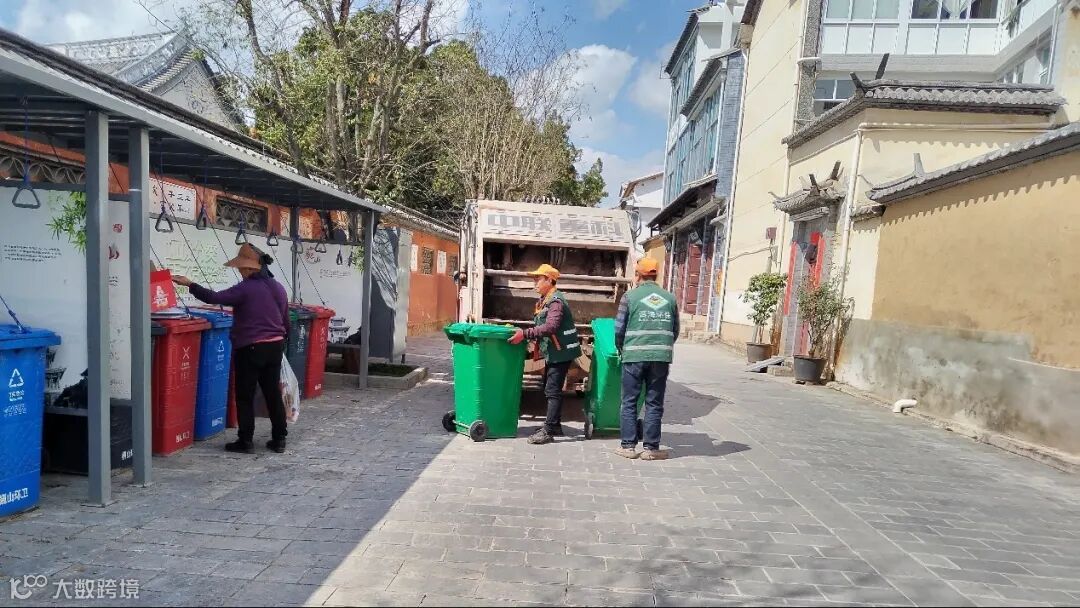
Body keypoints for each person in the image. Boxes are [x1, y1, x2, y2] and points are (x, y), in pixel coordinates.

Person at [172, 243, 290, 454]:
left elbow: (214, 298)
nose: (240, 272)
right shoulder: (278, 288)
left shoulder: (246, 288)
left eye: (241, 268)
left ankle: (246, 441)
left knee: (245, 395)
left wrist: (190, 284)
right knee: (272, 393)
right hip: (275, 347)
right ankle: (279, 439)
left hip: (250, 348)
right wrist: (280, 341)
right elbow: (285, 320)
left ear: (249, 268)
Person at [508, 264, 582, 445]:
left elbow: (551, 327)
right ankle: (555, 425)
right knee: (549, 388)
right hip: (556, 351)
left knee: (552, 390)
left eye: (538, 279)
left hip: (561, 352)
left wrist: (525, 334)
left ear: (549, 280)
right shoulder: (546, 299)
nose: (535, 282)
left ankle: (548, 431)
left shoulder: (556, 302)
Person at [614, 258, 678, 460]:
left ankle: (628, 447)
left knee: (629, 401)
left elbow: (619, 329)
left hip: (634, 356)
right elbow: (675, 330)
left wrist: (621, 347)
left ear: (637, 275)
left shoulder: (629, 297)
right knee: (654, 403)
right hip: (660, 357)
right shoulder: (670, 298)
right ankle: (651, 449)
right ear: (656, 275)